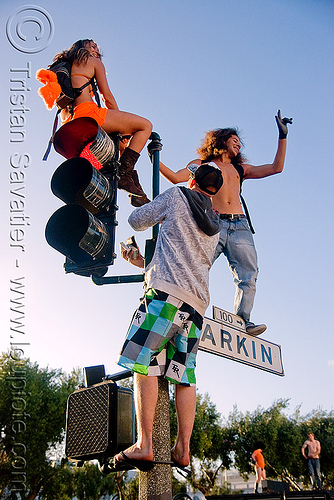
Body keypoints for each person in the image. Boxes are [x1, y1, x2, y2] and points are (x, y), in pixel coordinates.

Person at [113, 163, 224, 471]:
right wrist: (143, 263)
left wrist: (150, 206)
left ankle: (144, 444)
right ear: (213, 192)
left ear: (192, 180)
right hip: (197, 306)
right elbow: (182, 257)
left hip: (165, 296)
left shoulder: (177, 195)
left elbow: (137, 221)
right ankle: (183, 449)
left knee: (143, 360)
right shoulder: (215, 225)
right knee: (184, 375)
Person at [159, 111, 292, 336]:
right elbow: (174, 177)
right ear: (221, 141)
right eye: (235, 140)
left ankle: (242, 321)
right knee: (193, 266)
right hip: (213, 225)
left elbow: (275, 167)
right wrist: (152, 156)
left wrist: (282, 136)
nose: (239, 145)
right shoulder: (201, 164)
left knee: (248, 275)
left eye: (240, 143)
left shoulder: (241, 169)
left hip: (240, 227)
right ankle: (178, 308)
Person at [52, 39, 152, 204]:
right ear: (82, 48)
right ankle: (125, 176)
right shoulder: (93, 62)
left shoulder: (64, 68)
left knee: (121, 148)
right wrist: (122, 125)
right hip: (89, 115)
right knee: (145, 126)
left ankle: (136, 192)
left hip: (70, 125)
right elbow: (108, 98)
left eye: (97, 48)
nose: (97, 50)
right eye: (92, 46)